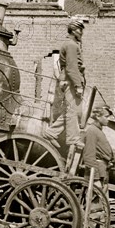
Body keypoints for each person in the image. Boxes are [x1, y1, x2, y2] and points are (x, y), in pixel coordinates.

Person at [43, 19, 86, 149]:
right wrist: (78, 85)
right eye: (79, 29)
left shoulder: (71, 44)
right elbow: (72, 67)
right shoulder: (71, 45)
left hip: (69, 80)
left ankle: (51, 132)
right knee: (72, 111)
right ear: (73, 30)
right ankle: (73, 139)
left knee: (72, 111)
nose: (81, 32)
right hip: (71, 81)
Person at [83, 106, 115, 195]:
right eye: (106, 116)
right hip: (96, 172)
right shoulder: (92, 131)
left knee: (102, 203)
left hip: (102, 171)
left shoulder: (98, 130)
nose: (108, 119)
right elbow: (89, 155)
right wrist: (95, 179)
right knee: (95, 203)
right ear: (97, 116)